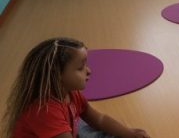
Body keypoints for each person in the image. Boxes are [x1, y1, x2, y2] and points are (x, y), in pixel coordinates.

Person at [4, 38, 150, 138]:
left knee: (107, 131)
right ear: (57, 75)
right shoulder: (44, 110)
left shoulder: (71, 93)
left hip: (66, 131)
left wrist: (128, 133)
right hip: (60, 133)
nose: (89, 71)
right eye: (80, 68)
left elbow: (99, 119)